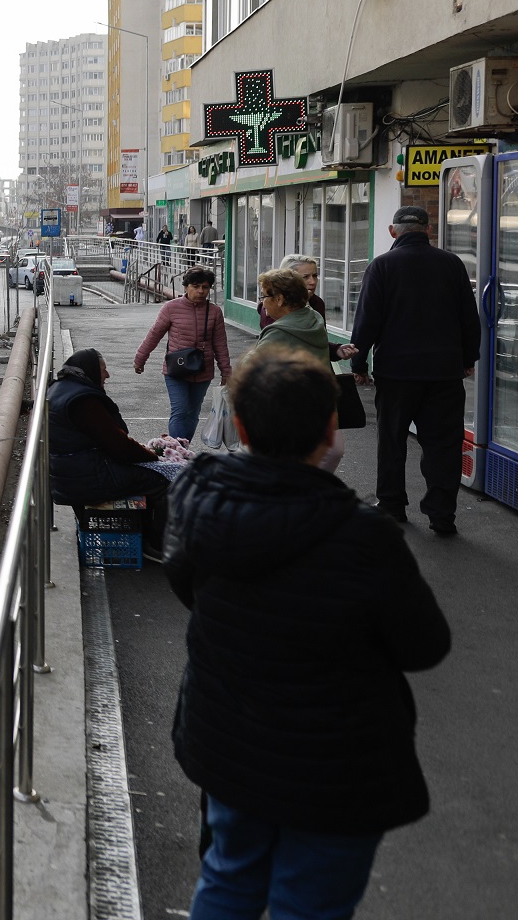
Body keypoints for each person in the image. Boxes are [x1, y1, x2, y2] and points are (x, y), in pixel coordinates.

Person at [164, 349, 450, 920]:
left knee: (228, 876)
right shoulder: (363, 537)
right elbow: (425, 646)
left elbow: (186, 585)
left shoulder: (200, 501)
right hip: (336, 768)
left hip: (229, 742)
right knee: (310, 903)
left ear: (241, 427)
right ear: (330, 430)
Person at [337, 205, 479, 535]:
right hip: (444, 373)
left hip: (397, 373)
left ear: (392, 231)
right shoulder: (451, 264)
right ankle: (442, 514)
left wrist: (358, 364)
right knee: (443, 445)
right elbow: (469, 319)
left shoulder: (382, 266)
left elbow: (367, 320)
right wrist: (468, 359)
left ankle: (392, 504)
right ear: (427, 230)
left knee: (392, 441)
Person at [48, 348, 170, 555]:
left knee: (144, 473)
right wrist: (153, 457)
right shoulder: (84, 401)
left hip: (68, 476)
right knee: (162, 481)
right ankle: (157, 545)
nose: (108, 375)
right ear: (90, 371)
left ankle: (139, 536)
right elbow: (119, 446)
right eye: (103, 370)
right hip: (89, 478)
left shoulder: (59, 389)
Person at [254, 268, 342, 473]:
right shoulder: (313, 320)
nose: (262, 302)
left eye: (265, 296)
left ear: (280, 299)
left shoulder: (279, 332)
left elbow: (254, 376)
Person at [134, 267, 233, 441]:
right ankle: (176, 453)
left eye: (205, 287)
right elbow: (154, 334)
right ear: (186, 287)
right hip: (176, 369)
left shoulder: (214, 311)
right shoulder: (171, 308)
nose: (201, 291)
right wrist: (140, 358)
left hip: (203, 370)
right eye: (196, 286)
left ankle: (183, 450)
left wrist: (226, 372)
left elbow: (220, 344)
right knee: (180, 410)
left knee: (193, 413)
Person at [258, 253, 326, 329]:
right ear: (289, 279)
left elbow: (321, 335)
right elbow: (279, 334)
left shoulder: (317, 302)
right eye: (306, 277)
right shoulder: (273, 304)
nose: (313, 282)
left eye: (315, 276)